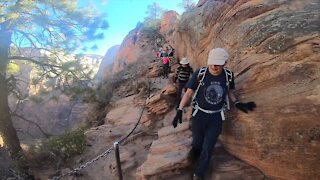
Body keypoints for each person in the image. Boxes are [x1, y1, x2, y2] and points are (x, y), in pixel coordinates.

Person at [172, 48, 256, 180]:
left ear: (225, 63)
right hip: (199, 114)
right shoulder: (200, 74)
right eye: (211, 63)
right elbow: (188, 93)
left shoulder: (228, 75)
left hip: (216, 116)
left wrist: (238, 103)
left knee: (208, 145)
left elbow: (228, 91)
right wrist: (179, 110)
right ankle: (194, 156)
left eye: (217, 64)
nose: (214, 66)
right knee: (198, 143)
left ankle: (199, 173)